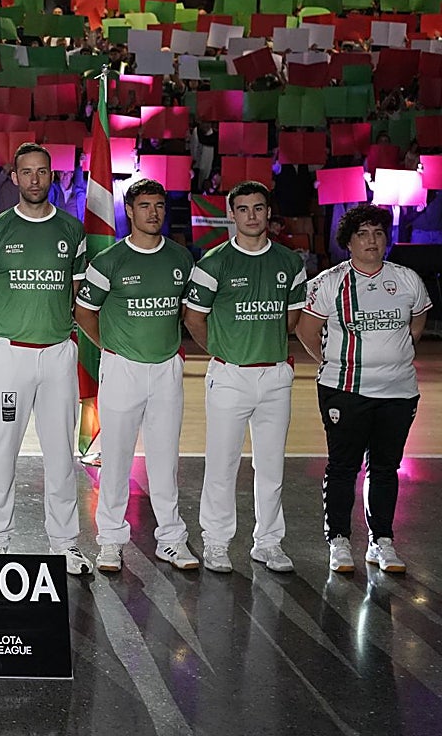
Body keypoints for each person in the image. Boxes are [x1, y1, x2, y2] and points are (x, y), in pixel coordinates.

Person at [0, 143, 92, 574]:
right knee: (1, 448)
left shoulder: (71, 232)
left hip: (59, 355)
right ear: (15, 176)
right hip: (10, 358)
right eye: (27, 172)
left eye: (43, 172)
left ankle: (64, 543)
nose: (35, 179)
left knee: (61, 452)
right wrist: (2, 332)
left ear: (52, 177)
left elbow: (78, 295)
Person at [295, 204, 431, 574]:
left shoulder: (407, 279)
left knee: (385, 467)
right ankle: (338, 540)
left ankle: (381, 541)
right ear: (348, 242)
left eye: (378, 233)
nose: (372, 240)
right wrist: (330, 363)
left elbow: (418, 319)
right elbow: (306, 330)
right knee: (343, 466)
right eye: (362, 234)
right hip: (345, 390)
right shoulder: (329, 281)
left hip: (399, 391)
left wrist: (398, 352)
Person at [74, 179, 199, 572]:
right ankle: (110, 540)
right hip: (122, 367)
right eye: (144, 206)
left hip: (166, 369)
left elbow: (185, 311)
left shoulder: (182, 259)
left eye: (159, 205)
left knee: (165, 460)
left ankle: (171, 540)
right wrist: (111, 346)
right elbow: (83, 313)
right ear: (129, 211)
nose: (153, 213)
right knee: (115, 459)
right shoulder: (109, 261)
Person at [183, 180, 306, 574]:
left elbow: (290, 318)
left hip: (274, 376)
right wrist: (226, 350)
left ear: (269, 213)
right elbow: (194, 320)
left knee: (271, 467)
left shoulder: (290, 262)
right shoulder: (213, 262)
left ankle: (268, 542)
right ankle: (216, 543)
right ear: (231, 214)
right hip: (230, 375)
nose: (251, 216)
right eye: (243, 209)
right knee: (222, 464)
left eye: (258, 208)